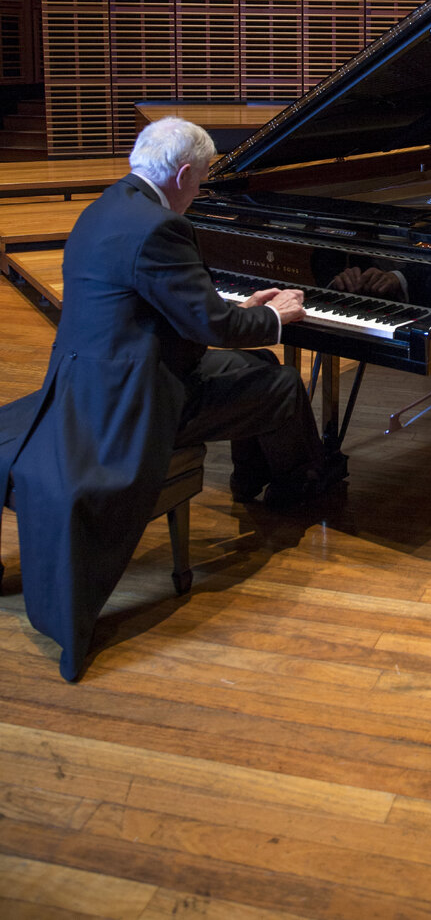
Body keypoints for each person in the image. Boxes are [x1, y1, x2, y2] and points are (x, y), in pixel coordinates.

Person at [0, 116, 337, 682]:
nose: (200, 189)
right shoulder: (162, 228)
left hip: (95, 373)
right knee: (280, 383)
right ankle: (297, 484)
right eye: (201, 179)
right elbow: (210, 323)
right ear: (182, 174)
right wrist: (273, 317)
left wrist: (242, 310)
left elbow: (172, 305)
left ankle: (251, 478)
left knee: (258, 363)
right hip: (133, 399)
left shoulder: (108, 206)